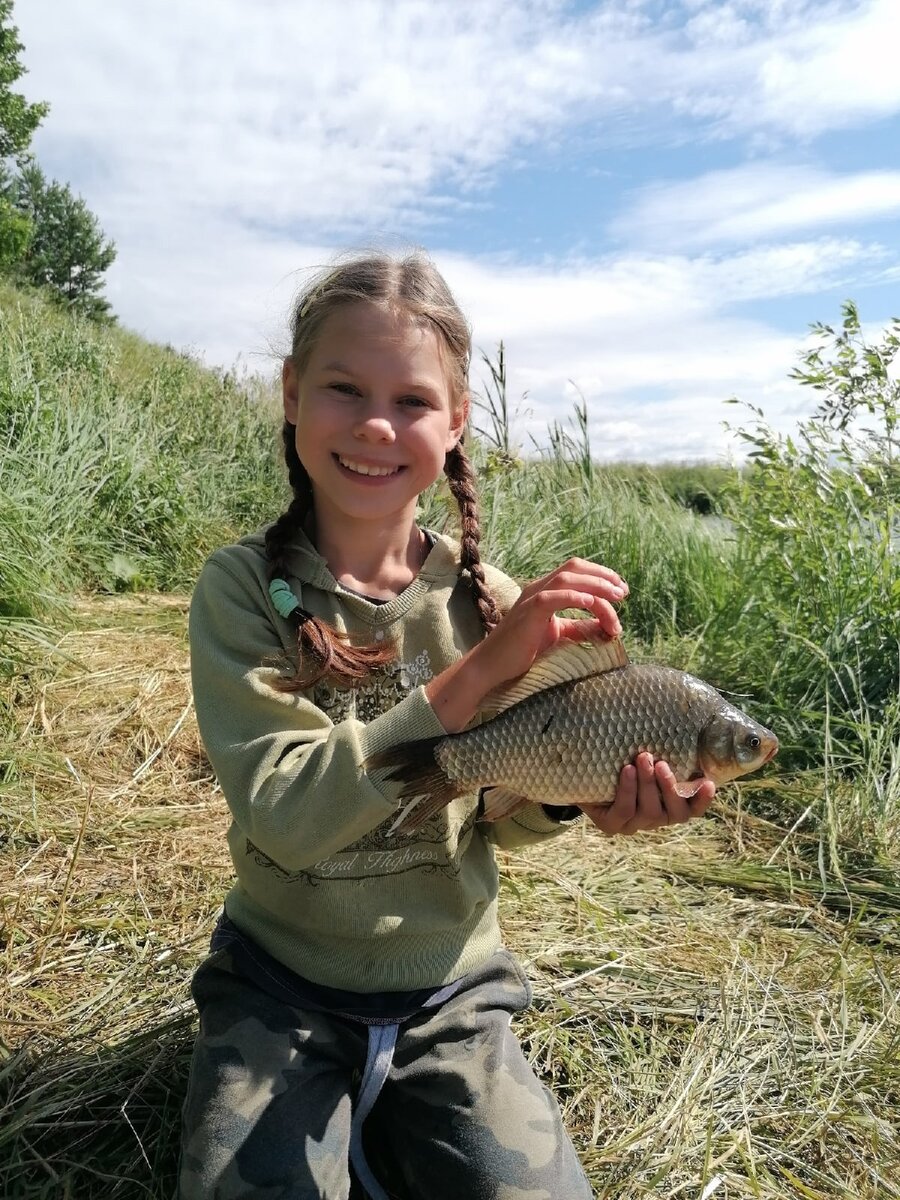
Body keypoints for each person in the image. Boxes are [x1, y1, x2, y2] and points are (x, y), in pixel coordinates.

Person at [179, 251, 715, 1200]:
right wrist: (478, 677)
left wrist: (581, 802)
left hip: (452, 993)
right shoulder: (241, 593)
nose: (377, 424)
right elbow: (283, 814)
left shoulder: (491, 605)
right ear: (293, 394)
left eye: (414, 402)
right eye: (344, 388)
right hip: (279, 981)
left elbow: (498, 814)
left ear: (459, 419)